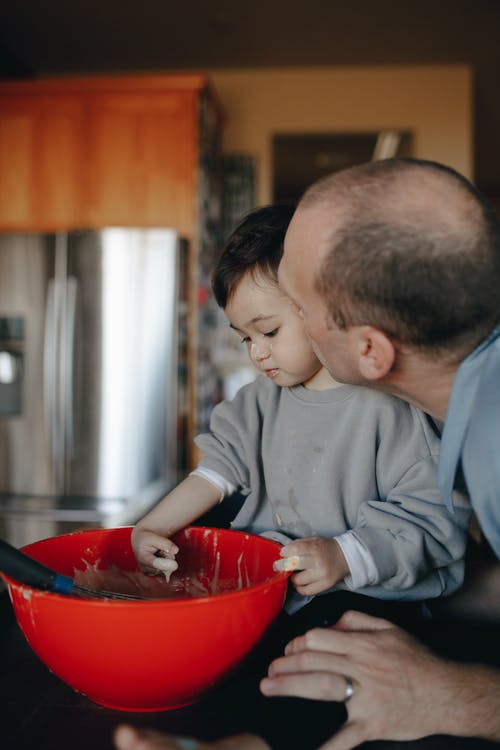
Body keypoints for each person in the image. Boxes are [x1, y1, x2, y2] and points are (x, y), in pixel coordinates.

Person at [114, 195, 475, 750]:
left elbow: (429, 522)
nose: (258, 352)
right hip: (273, 592)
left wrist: (342, 556)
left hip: (366, 594)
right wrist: (150, 528)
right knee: (233, 663)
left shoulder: (388, 408)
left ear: (323, 308)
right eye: (245, 338)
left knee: (323, 668)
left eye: (268, 330)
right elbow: (218, 472)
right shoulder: (258, 403)